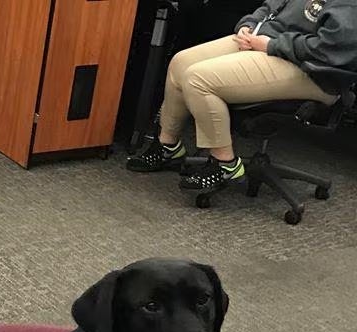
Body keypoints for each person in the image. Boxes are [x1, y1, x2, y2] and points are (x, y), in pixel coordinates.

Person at [127, 0, 357, 191]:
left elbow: (332, 50)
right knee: (181, 63)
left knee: (198, 78)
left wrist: (272, 45)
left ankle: (225, 163)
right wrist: (249, 25)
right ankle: (168, 146)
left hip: (314, 70)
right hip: (270, 43)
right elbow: (270, 6)